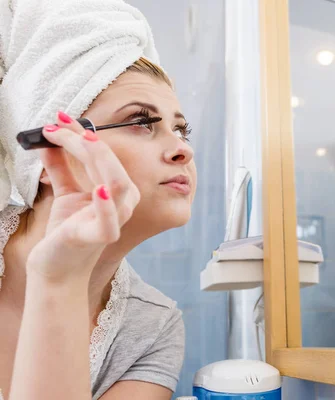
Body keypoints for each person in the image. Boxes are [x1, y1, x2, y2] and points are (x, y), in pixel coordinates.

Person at [0, 0, 194, 398]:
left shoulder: (153, 326)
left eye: (182, 130)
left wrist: (61, 281)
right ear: (53, 145)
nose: (182, 150)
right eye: (142, 122)